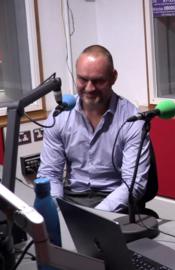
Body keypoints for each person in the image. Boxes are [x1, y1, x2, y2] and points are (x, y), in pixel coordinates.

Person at [37, 45, 150, 213]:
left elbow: (133, 184)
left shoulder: (133, 119)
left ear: (113, 77)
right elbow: (50, 173)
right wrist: (56, 212)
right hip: (72, 198)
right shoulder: (60, 116)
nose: (89, 88)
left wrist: (93, 216)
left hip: (114, 201)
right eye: (83, 79)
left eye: (98, 81)